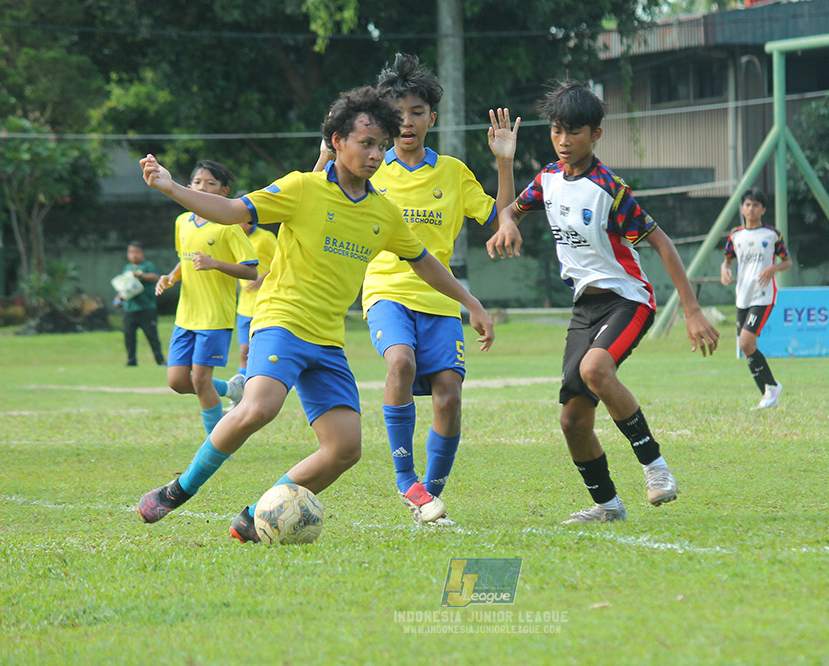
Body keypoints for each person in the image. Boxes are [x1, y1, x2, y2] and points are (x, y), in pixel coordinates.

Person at [135, 85, 494, 543]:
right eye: (366, 143)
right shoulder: (301, 188)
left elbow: (424, 261)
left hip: (327, 341)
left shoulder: (382, 212)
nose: (376, 154)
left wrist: (471, 303)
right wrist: (172, 187)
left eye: (382, 146)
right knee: (260, 406)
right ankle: (178, 490)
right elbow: (230, 210)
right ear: (337, 141)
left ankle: (257, 515)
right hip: (281, 321)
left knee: (345, 448)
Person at [487, 81, 719, 524]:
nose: (563, 140)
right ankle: (608, 505)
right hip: (584, 309)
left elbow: (663, 244)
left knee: (595, 370)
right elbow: (509, 211)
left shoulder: (608, 189)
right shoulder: (548, 180)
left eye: (574, 131)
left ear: (596, 135)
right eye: (557, 130)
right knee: (572, 421)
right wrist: (505, 171)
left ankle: (656, 468)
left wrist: (691, 311)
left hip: (628, 300)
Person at [314, 54, 517, 526]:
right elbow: (316, 192)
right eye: (398, 111)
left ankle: (431, 493)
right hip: (385, 290)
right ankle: (407, 480)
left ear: (432, 118)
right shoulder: (368, 165)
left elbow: (500, 218)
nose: (407, 121)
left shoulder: (451, 172)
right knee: (400, 361)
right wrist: (325, 155)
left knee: (449, 394)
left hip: (440, 296)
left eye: (417, 112)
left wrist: (504, 164)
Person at [155, 160, 258, 435]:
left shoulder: (229, 226)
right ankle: (232, 389)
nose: (203, 187)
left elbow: (250, 271)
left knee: (201, 381)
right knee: (177, 381)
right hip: (185, 316)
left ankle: (215, 442)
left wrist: (215, 264)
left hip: (214, 317)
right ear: (189, 188)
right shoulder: (182, 222)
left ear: (224, 192)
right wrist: (171, 277)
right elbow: (185, 259)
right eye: (198, 182)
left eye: (211, 183)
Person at [720, 187, 793, 409]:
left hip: (764, 294)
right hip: (743, 296)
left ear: (763, 209)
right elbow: (728, 260)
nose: (751, 209)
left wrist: (773, 268)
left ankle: (771, 387)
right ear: (742, 208)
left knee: (746, 341)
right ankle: (767, 394)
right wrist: (724, 269)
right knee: (746, 347)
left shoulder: (772, 234)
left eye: (755, 205)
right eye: (747, 205)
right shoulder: (735, 236)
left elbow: (787, 261)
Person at [232, 218, 277, 378]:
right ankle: (242, 392)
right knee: (244, 352)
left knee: (264, 353)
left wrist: (261, 278)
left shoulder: (265, 237)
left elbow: (283, 262)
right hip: (244, 306)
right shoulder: (232, 237)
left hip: (266, 304)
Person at [117, 241, 166, 366]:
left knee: (152, 336)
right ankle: (131, 360)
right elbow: (125, 287)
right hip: (129, 308)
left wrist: (139, 275)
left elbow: (156, 277)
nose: (134, 255)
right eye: (131, 252)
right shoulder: (127, 268)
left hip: (146, 308)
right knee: (129, 337)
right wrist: (118, 299)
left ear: (142, 253)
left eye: (136, 252)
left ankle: (160, 360)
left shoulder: (147, 265)